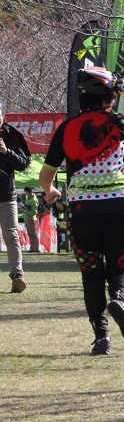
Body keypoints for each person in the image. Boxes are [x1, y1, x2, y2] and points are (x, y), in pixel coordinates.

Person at [40, 66, 124, 355]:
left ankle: (102, 337)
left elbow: (47, 176)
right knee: (121, 268)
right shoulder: (119, 121)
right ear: (111, 95)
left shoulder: (66, 129)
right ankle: (118, 298)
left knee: (91, 276)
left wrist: (51, 192)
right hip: (119, 206)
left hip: (81, 211)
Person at [0, 106, 30, 292]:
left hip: (6, 196)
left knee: (11, 235)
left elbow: (24, 163)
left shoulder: (11, 134)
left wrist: (6, 152)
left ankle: (17, 276)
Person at [22, 186, 40, 252]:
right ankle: (32, 248)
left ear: (31, 192)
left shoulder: (34, 200)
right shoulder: (28, 199)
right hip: (27, 218)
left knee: (34, 234)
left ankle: (37, 249)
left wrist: (26, 211)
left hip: (31, 219)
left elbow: (35, 211)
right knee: (30, 234)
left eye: (27, 193)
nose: (26, 194)